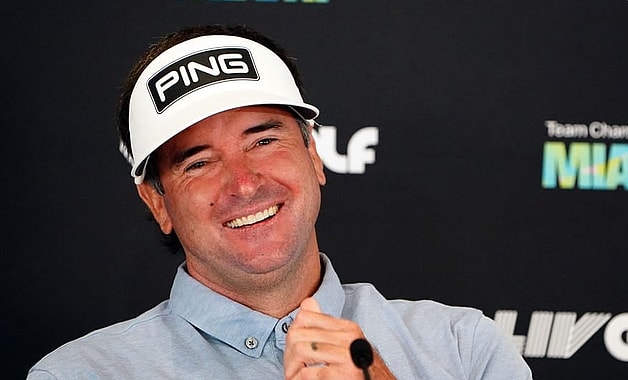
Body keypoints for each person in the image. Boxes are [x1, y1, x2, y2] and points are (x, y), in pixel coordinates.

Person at [27, 25, 533, 379]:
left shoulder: (464, 348)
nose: (244, 184)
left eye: (264, 140)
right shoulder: (79, 374)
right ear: (156, 202)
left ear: (314, 155)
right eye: (197, 163)